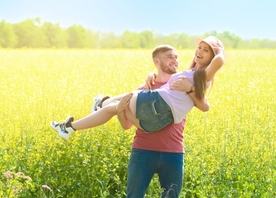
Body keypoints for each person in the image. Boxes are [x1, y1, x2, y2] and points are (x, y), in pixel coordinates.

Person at [50, 36, 225, 141]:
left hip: (157, 105)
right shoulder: (191, 73)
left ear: (212, 57)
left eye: (206, 50)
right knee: (116, 107)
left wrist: (218, 50)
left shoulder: (203, 75)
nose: (199, 51)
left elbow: (220, 61)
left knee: (125, 98)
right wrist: (153, 74)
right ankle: (71, 126)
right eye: (199, 47)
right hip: (156, 118)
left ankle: (98, 104)